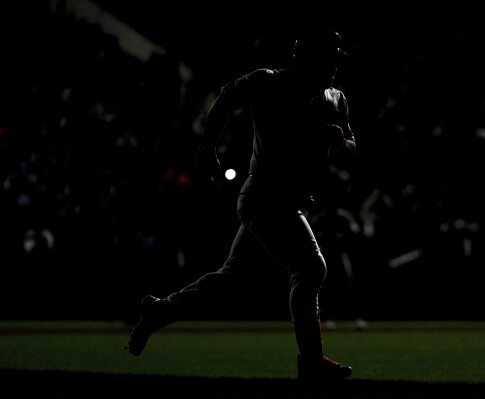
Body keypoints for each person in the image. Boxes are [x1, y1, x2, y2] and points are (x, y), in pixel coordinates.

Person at [126, 26, 357, 381]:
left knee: (230, 279)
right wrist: (206, 148)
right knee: (311, 269)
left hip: (283, 201)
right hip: (265, 197)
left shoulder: (335, 99)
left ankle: (157, 313)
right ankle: (311, 361)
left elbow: (351, 147)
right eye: (328, 59)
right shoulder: (270, 82)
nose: (334, 68)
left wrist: (340, 143)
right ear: (307, 58)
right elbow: (224, 99)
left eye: (335, 61)